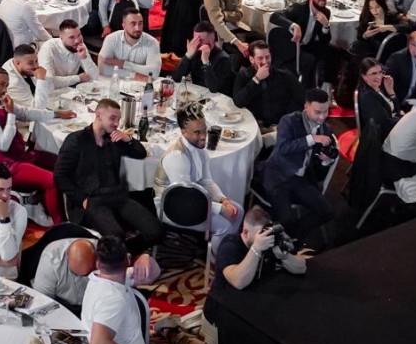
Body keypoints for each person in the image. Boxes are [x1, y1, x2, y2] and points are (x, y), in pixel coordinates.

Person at [83, 235, 206, 344]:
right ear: (127, 259)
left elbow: (153, 273)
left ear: (98, 264)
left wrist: (146, 258)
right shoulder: (113, 299)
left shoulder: (98, 279)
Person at [0, 66, 70, 224]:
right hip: (5, 167)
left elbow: (25, 112)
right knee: (51, 180)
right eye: (1, 84)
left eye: (6, 85)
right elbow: (3, 144)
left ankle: (41, 201)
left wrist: (55, 114)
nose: (5, 89)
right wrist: (10, 114)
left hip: (20, 155)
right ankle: (60, 223)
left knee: (62, 162)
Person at [55, 97, 161, 245]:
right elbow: (60, 176)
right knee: (116, 236)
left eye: (118, 119)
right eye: (112, 118)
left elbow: (140, 154)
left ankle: (126, 253)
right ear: (98, 115)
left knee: (155, 230)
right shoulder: (76, 140)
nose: (117, 123)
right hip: (92, 200)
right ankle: (118, 254)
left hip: (117, 196)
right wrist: (82, 199)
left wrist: (128, 139)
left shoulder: (115, 139)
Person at [204, 205, 307, 343]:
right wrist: (256, 249)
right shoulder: (230, 245)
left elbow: (301, 268)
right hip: (222, 312)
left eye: (266, 232)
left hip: (252, 308)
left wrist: (284, 257)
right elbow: (238, 281)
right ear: (245, 233)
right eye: (260, 234)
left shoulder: (269, 241)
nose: (265, 238)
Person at [156, 100, 243, 244]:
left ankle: (223, 250)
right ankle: (217, 262)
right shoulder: (176, 156)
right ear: (183, 132)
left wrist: (223, 200)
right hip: (172, 208)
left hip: (193, 200)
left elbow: (206, 181)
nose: (203, 136)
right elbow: (186, 197)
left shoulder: (199, 148)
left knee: (238, 210)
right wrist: (220, 209)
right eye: (197, 132)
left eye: (204, 130)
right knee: (225, 226)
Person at [261, 89, 337, 245]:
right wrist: (312, 139)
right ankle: (289, 239)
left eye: (325, 111)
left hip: (301, 179)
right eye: (317, 112)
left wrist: (325, 161)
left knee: (328, 212)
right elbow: (283, 148)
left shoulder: (326, 130)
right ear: (306, 106)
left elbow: (319, 170)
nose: (322, 117)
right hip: (278, 176)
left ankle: (293, 237)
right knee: (286, 218)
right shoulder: (289, 121)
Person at [269, 0, 334, 86]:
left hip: (307, 45)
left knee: (333, 52)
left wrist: (326, 25)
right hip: (292, 47)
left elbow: (325, 40)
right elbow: (275, 16)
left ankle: (324, 87)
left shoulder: (326, 12)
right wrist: (293, 25)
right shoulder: (298, 8)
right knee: (309, 60)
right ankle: (304, 90)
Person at [233, 41, 304, 128]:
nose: (265, 61)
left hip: (279, 125)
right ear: (252, 59)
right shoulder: (244, 75)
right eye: (260, 58)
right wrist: (256, 79)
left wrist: (286, 121)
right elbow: (238, 102)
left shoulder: (284, 75)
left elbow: (301, 99)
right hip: (253, 124)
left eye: (267, 57)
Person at [174, 21, 236, 96]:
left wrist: (206, 62)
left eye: (200, 40)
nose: (196, 43)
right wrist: (188, 56)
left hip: (218, 98)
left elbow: (213, 88)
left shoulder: (223, 59)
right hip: (198, 94)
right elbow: (176, 78)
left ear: (211, 41)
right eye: (195, 39)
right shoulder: (195, 52)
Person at [98, 10, 161, 79]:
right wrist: (133, 75)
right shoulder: (111, 39)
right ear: (124, 26)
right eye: (133, 24)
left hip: (139, 86)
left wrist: (123, 64)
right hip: (116, 83)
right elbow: (103, 69)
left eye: (140, 23)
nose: (138, 28)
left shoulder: (152, 42)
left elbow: (154, 72)